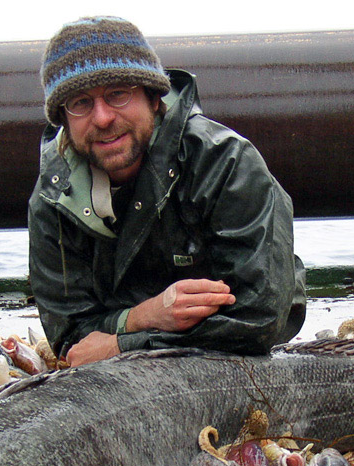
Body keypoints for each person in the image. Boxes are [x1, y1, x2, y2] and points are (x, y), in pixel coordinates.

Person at [28, 16, 306, 367]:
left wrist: (122, 345)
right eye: (80, 103)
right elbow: (72, 337)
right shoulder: (52, 199)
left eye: (117, 93)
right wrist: (143, 317)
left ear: (154, 97)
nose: (102, 118)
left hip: (235, 363)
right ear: (64, 119)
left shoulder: (226, 162)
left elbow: (261, 319)